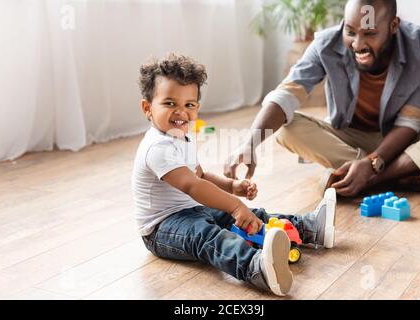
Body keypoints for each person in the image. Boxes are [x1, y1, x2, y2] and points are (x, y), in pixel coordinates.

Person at [132, 53, 337, 296]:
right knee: (206, 235)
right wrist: (236, 205)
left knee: (253, 216)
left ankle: (310, 228)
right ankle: (256, 267)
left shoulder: (181, 137)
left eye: (189, 105)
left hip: (193, 210)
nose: (181, 112)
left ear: (197, 107)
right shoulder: (157, 148)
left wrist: (232, 186)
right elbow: (192, 186)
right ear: (147, 108)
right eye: (169, 104)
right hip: (162, 228)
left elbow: (200, 175)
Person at [224, 0, 420, 197]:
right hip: (348, 135)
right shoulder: (326, 45)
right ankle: (396, 173)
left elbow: (410, 122)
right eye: (350, 31)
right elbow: (287, 95)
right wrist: (249, 143)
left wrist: (371, 164)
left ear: (393, 25)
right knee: (285, 128)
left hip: (403, 138)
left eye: (369, 33)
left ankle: (371, 177)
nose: (358, 44)